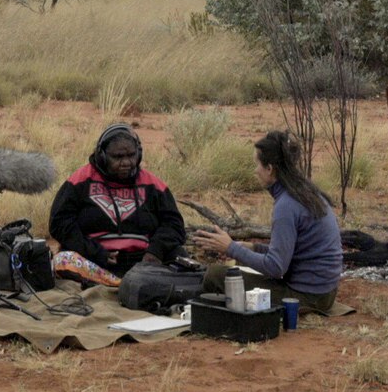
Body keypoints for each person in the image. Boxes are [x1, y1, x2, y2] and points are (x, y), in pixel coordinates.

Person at [193, 130, 343, 314]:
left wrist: (231, 248)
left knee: (216, 275)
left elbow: (276, 267)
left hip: (307, 297)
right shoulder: (305, 192)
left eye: (257, 164)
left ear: (270, 168)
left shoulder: (286, 205)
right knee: (238, 267)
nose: (255, 170)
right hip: (325, 291)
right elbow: (293, 252)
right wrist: (250, 248)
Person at [49, 123, 186, 287]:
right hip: (96, 262)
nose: (127, 162)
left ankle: (125, 285)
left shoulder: (153, 185)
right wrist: (95, 252)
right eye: (118, 157)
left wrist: (154, 252)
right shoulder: (79, 181)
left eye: (131, 155)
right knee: (63, 261)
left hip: (145, 264)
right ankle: (130, 286)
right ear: (102, 156)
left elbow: (174, 225)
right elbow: (59, 223)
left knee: (181, 258)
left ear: (139, 154)